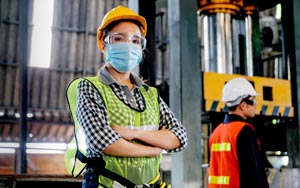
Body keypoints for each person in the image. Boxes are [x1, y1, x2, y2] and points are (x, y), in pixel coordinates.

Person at [66, 5, 187, 188]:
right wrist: (153, 149)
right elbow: (103, 141)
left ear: (141, 48)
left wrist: (133, 133)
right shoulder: (90, 88)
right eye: (119, 38)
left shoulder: (150, 94)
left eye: (135, 40)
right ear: (103, 44)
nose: (128, 45)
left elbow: (179, 138)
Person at [208, 77, 269, 188]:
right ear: (243, 105)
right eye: (253, 100)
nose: (255, 104)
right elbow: (254, 175)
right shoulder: (244, 131)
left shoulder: (216, 133)